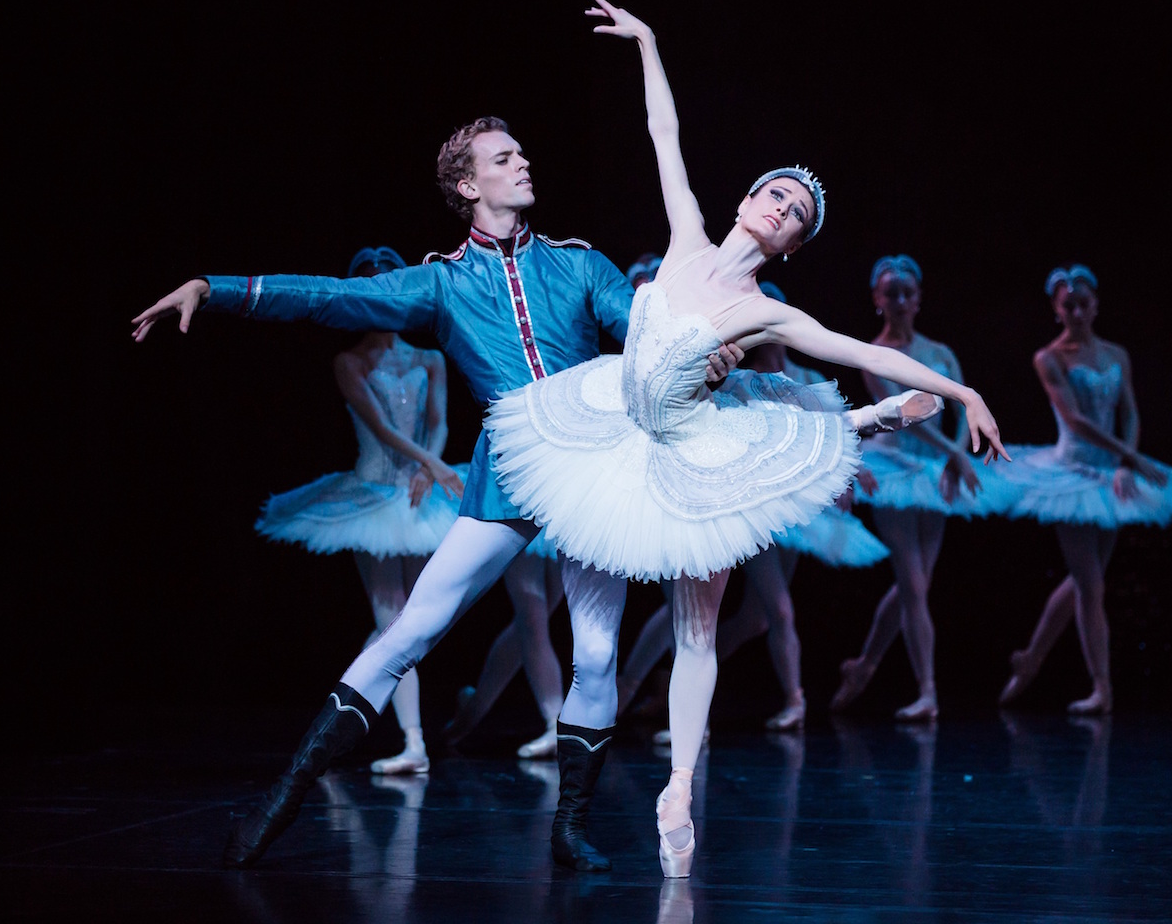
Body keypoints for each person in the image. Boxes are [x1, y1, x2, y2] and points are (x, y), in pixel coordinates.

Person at [132, 115, 746, 872]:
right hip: (512, 470)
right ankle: (280, 800)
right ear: (468, 184)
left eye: (521, 153)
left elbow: (644, 336)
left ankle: (569, 828)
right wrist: (215, 288)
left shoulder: (580, 265)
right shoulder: (442, 283)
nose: (522, 163)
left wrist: (700, 357)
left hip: (595, 468)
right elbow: (331, 298)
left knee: (594, 654)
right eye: (504, 158)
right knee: (409, 632)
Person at [481, 0, 1007, 878]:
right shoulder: (685, 238)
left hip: (698, 457)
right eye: (774, 193)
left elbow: (858, 348)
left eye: (795, 212)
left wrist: (960, 388)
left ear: (795, 243)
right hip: (617, 431)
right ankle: (863, 422)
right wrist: (648, 42)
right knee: (596, 631)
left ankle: (679, 787)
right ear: (745, 199)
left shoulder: (770, 311)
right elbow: (663, 133)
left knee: (695, 629)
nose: (780, 208)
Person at [619, 282, 892, 739]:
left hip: (794, 515)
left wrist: (849, 471)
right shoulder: (738, 379)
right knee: (765, 610)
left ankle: (672, 685)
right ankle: (791, 702)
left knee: (758, 617)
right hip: (753, 509)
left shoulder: (801, 375)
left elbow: (828, 432)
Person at [253, 245, 467, 776]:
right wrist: (430, 463)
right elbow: (381, 428)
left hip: (420, 495)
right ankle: (413, 742)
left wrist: (431, 466)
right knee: (390, 618)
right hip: (373, 497)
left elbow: (438, 420)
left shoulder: (429, 359)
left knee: (415, 623)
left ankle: (337, 724)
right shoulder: (349, 362)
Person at [994, 264, 1172, 715]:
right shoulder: (1049, 357)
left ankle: (1031, 658)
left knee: (1087, 580)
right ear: (1057, 309)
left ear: (1096, 305)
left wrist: (1127, 462)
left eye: (1083, 304)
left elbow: (1130, 412)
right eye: (1068, 305)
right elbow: (1075, 420)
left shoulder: (1116, 354)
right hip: (1070, 475)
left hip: (1112, 474)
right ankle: (1102, 687)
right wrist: (1132, 458)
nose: (1077, 312)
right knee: (1090, 587)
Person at [829, 255, 1016, 721]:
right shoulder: (875, 355)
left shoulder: (940, 351)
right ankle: (928, 691)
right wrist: (953, 453)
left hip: (933, 472)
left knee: (916, 586)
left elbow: (962, 406)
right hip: (895, 468)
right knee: (913, 585)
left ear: (918, 299)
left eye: (906, 293)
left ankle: (864, 664)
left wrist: (958, 452)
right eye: (890, 293)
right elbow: (904, 418)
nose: (899, 301)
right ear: (878, 299)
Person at [440, 538, 570, 760]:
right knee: (532, 618)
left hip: (560, 523)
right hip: (524, 520)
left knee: (533, 621)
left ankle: (472, 712)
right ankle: (555, 724)